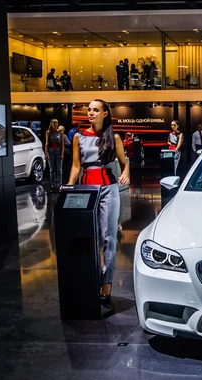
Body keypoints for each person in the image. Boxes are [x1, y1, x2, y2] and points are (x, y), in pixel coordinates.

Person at [67, 99, 129, 306]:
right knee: (87, 237)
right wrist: (68, 186)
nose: (91, 113)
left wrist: (126, 174)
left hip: (108, 189)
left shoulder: (114, 137)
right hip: (86, 190)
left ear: (105, 114)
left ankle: (107, 281)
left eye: (95, 110)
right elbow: (76, 166)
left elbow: (123, 163)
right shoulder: (79, 137)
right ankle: (89, 275)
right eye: (89, 110)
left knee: (108, 237)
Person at [44, 119, 64, 193]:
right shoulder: (48, 132)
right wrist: (46, 153)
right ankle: (53, 185)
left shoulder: (60, 133)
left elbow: (62, 144)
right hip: (51, 151)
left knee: (59, 169)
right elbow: (46, 143)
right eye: (54, 123)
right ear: (51, 124)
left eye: (57, 123)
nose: (55, 124)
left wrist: (62, 153)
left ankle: (59, 185)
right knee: (52, 170)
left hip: (58, 150)